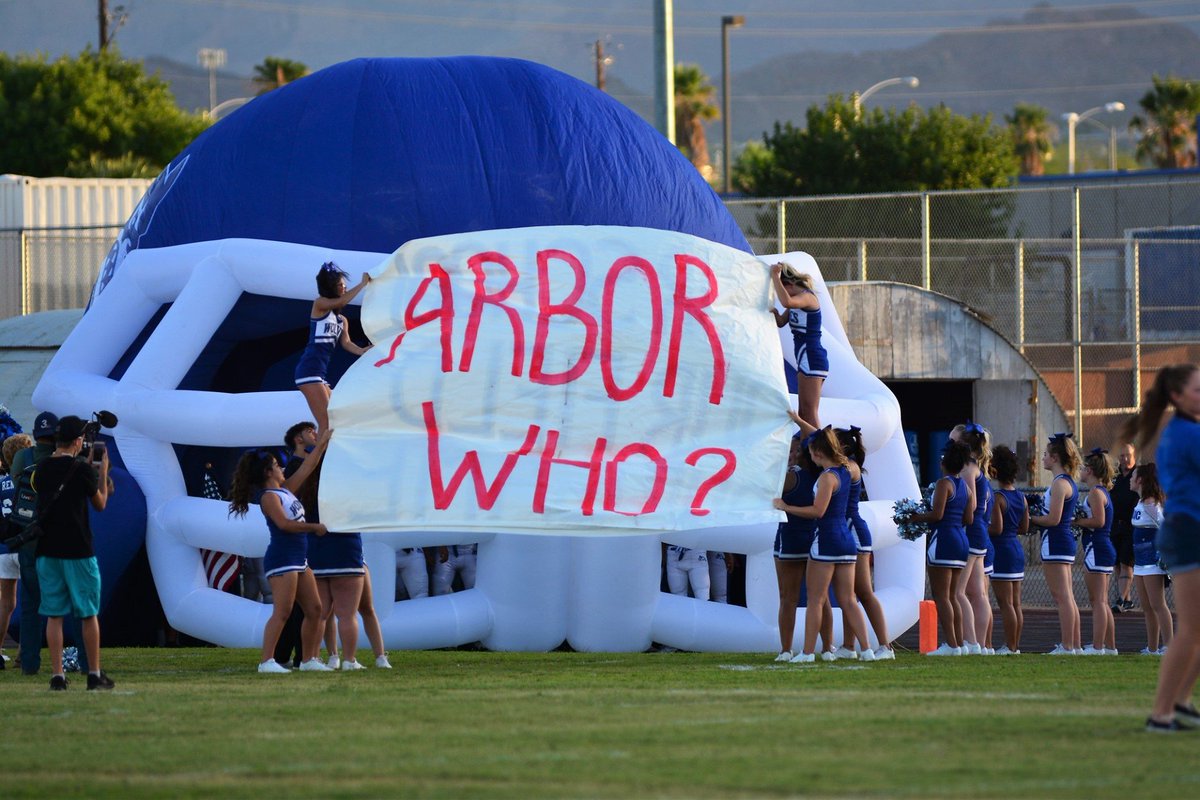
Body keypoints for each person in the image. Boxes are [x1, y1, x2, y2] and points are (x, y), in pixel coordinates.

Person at [1120, 364, 1200, 732]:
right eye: (1197, 390)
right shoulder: (1185, 434)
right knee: (1191, 631)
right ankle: (1161, 713)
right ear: (1177, 397)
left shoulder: (1187, 430)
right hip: (1187, 533)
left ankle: (1180, 702)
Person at [229, 430, 331, 674]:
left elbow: (307, 467)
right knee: (283, 612)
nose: (281, 467)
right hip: (283, 559)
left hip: (298, 558)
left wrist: (323, 442)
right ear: (267, 472)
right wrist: (313, 527)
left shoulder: (285, 490)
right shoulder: (268, 497)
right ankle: (267, 661)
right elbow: (284, 525)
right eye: (276, 465)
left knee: (315, 609)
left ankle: (309, 660)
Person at [773, 427, 873, 663]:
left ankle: (806, 653)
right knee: (847, 599)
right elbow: (820, 435)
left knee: (814, 600)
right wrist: (799, 419)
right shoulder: (847, 470)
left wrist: (786, 507)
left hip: (825, 539)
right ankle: (865, 649)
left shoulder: (825, 476)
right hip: (846, 541)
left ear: (816, 452)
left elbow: (819, 511)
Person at [33, 416, 112, 690]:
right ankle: (93, 673)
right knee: (88, 613)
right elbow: (100, 503)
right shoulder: (81, 470)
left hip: (47, 550)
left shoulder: (42, 468)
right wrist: (101, 472)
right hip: (78, 549)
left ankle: (57, 676)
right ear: (79, 441)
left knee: (54, 615)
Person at [911, 440, 975, 656]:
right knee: (954, 595)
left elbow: (936, 515)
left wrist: (913, 518)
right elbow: (968, 517)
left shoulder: (943, 484)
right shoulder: (965, 487)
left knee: (942, 596)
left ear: (945, 461)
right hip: (960, 540)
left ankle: (951, 645)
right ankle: (959, 644)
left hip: (944, 540)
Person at [835, 426, 893, 660]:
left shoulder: (848, 466)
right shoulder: (845, 465)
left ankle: (885, 646)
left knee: (864, 592)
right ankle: (849, 645)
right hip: (851, 529)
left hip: (854, 530)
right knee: (851, 593)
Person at [294, 262, 371, 433]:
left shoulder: (342, 320)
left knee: (335, 418)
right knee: (326, 423)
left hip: (319, 374)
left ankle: (326, 454)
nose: (344, 288)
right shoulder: (319, 305)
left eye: (345, 285)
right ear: (331, 288)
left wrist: (363, 351)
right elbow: (343, 300)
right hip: (308, 371)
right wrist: (363, 284)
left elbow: (347, 343)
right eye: (340, 285)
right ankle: (320, 459)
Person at [1029, 432, 1083, 655]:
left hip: (1056, 541)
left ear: (1055, 458)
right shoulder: (1064, 482)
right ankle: (1075, 645)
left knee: (1062, 597)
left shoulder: (1061, 484)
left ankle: (1068, 645)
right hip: (1060, 541)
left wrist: (1029, 518)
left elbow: (1053, 519)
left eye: (1045, 455)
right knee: (1067, 596)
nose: (1043, 459)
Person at [950, 422, 993, 655]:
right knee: (978, 593)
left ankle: (971, 641)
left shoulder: (967, 468)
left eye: (953, 442)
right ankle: (981, 645)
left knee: (959, 592)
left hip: (972, 531)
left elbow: (971, 502)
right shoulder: (977, 468)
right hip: (980, 533)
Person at [770, 263, 827, 428]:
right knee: (803, 413)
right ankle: (808, 447)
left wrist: (775, 276)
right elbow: (781, 322)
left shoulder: (807, 297)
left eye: (783, 288)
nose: (782, 294)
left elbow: (786, 302)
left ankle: (822, 448)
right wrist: (772, 312)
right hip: (804, 357)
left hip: (812, 356)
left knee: (809, 412)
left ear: (790, 285)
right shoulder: (797, 302)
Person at [1076, 448, 1117, 655]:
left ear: (1090, 471)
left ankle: (1099, 646)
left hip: (1098, 547)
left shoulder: (1095, 492)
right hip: (1101, 547)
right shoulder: (1101, 492)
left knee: (1098, 601)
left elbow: (1098, 521)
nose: (1080, 471)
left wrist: (1076, 521)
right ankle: (1109, 646)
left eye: (1083, 468)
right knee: (1102, 601)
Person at [988, 445, 1028, 655]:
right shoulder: (1021, 496)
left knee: (1005, 604)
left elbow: (996, 528)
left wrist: (977, 527)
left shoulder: (998, 497)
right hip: (1016, 549)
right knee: (1016, 603)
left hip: (1002, 550)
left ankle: (1010, 646)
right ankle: (1015, 645)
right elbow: (1025, 527)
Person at [1130, 462, 1171, 656]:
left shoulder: (1151, 504)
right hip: (1139, 562)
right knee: (1146, 607)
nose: (1130, 479)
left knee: (1158, 605)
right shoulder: (1140, 502)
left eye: (1133, 476)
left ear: (1140, 480)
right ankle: (1152, 648)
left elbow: (1166, 527)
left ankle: (1169, 647)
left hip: (1153, 562)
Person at [0, 433, 33, 668]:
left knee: (6, 603)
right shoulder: (31, 479)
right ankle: (24, 652)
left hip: (3, 548)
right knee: (32, 600)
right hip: (26, 544)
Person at [1109, 443, 1138, 613]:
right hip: (1115, 526)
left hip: (1131, 527)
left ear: (1134, 456)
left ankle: (1120, 599)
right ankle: (1127, 599)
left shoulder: (1138, 475)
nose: (1125, 459)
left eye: (1128, 455)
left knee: (1127, 563)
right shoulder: (1116, 477)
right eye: (1121, 456)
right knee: (1117, 564)